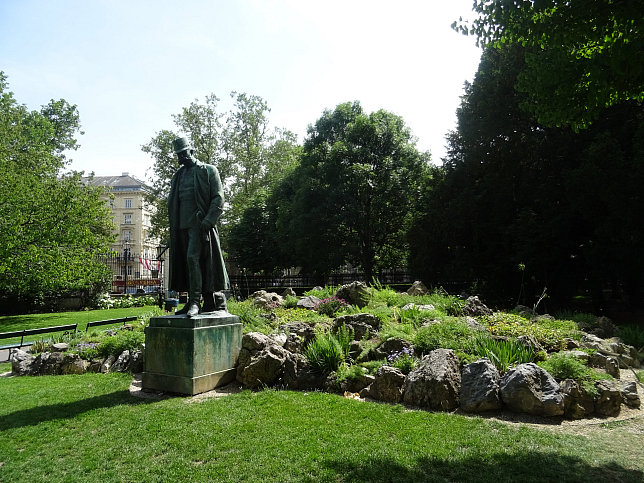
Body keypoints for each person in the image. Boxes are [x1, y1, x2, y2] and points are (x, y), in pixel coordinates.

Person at [167, 137, 229, 316]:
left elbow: (218, 198)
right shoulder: (178, 176)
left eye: (183, 153)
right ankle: (191, 302)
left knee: (192, 258)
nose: (181, 158)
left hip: (199, 224)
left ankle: (195, 302)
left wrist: (208, 221)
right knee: (186, 263)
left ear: (191, 151)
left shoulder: (208, 170)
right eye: (178, 155)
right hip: (181, 225)